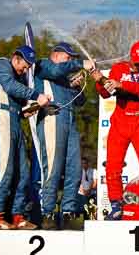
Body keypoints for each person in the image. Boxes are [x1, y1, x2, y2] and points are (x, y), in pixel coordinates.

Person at [90, 41, 139, 220]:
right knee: (112, 167)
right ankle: (115, 206)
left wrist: (122, 85)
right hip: (120, 123)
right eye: (135, 63)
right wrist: (100, 81)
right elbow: (106, 93)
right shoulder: (118, 68)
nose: (137, 67)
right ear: (130, 57)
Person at [0, 45, 51, 230]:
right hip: (1, 116)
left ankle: (17, 215)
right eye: (24, 66)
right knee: (5, 166)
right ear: (16, 58)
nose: (24, 70)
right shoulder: (2, 64)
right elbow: (10, 86)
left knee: (23, 171)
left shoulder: (18, 75)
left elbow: (21, 104)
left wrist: (34, 107)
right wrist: (36, 95)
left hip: (14, 119)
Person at [35, 42, 94, 230]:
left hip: (70, 120)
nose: (70, 60)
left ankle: (68, 211)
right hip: (52, 118)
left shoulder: (64, 77)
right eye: (67, 57)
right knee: (53, 167)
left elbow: (80, 101)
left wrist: (76, 86)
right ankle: (48, 213)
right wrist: (79, 64)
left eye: (72, 58)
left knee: (75, 169)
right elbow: (55, 72)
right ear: (56, 55)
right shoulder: (44, 65)